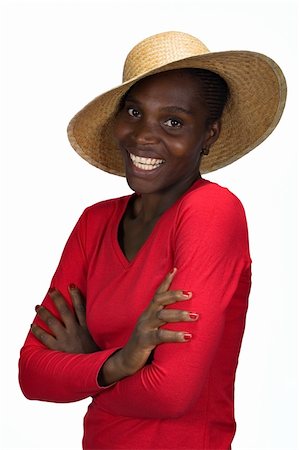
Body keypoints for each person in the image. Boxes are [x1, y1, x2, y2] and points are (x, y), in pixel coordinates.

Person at [18, 31, 287, 450]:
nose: (144, 135)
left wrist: (93, 365)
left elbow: (170, 393)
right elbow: (32, 375)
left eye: (174, 121)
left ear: (210, 134)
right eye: (134, 112)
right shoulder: (94, 222)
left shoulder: (211, 212)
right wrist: (121, 361)